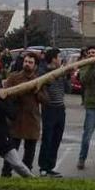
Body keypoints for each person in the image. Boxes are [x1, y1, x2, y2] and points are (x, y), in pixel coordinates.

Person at [1, 53, 48, 177]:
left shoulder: (39, 80)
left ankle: (27, 175)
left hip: (32, 119)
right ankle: (6, 173)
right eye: (26, 61)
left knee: (30, 151)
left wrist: (36, 91)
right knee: (11, 150)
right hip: (16, 119)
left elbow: (45, 100)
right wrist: (18, 92)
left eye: (30, 62)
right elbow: (6, 95)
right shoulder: (14, 77)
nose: (27, 64)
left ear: (35, 66)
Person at [38, 48, 70, 177]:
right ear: (53, 59)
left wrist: (66, 76)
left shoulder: (61, 72)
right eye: (59, 57)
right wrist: (52, 77)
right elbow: (41, 87)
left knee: (57, 138)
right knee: (47, 138)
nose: (60, 59)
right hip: (49, 109)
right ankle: (43, 167)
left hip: (60, 109)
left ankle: (51, 166)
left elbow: (68, 89)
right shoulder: (43, 72)